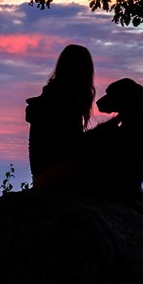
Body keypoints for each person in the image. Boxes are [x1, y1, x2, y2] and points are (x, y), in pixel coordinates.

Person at [25, 44, 96, 185]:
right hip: (55, 174)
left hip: (42, 175)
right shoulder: (64, 100)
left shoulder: (53, 95)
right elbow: (72, 143)